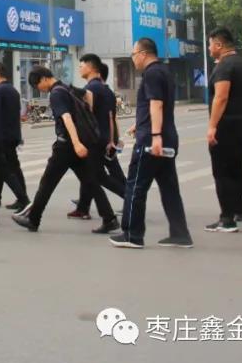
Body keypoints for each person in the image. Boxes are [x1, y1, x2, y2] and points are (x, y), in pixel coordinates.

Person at [12, 66, 119, 235]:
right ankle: (109, 218)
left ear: (44, 79)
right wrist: (87, 119)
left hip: (66, 146)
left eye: (37, 85)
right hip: (78, 144)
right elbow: (88, 95)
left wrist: (76, 143)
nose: (39, 89)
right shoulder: (67, 87)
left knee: (47, 182)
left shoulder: (56, 93)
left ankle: (33, 219)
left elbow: (66, 118)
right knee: (90, 181)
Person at [108, 39, 190, 248]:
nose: (133, 58)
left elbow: (157, 104)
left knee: (135, 186)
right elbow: (157, 106)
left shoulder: (152, 74)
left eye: (134, 54)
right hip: (167, 137)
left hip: (152, 141)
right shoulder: (164, 72)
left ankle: (132, 235)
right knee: (169, 188)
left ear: (143, 53)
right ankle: (180, 234)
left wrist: (155, 135)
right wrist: (139, 124)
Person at [204, 29, 242, 233]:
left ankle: (227, 219)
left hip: (227, 125)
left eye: (210, 44)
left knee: (222, 172)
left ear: (219, 45)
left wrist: (212, 126)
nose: (209, 48)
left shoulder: (224, 66)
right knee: (234, 169)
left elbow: (221, 97)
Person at [71, 56, 126, 222]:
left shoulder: (91, 89)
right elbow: (111, 117)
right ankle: (83, 208)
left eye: (81, 66)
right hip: (104, 139)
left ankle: (130, 198)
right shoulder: (106, 89)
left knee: (97, 176)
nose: (79, 68)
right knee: (90, 174)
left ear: (91, 68)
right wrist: (113, 139)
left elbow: (86, 116)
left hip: (94, 140)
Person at [0, 62, 29, 212]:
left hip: (3, 135)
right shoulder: (13, 90)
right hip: (13, 133)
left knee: (9, 167)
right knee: (3, 165)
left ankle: (23, 199)